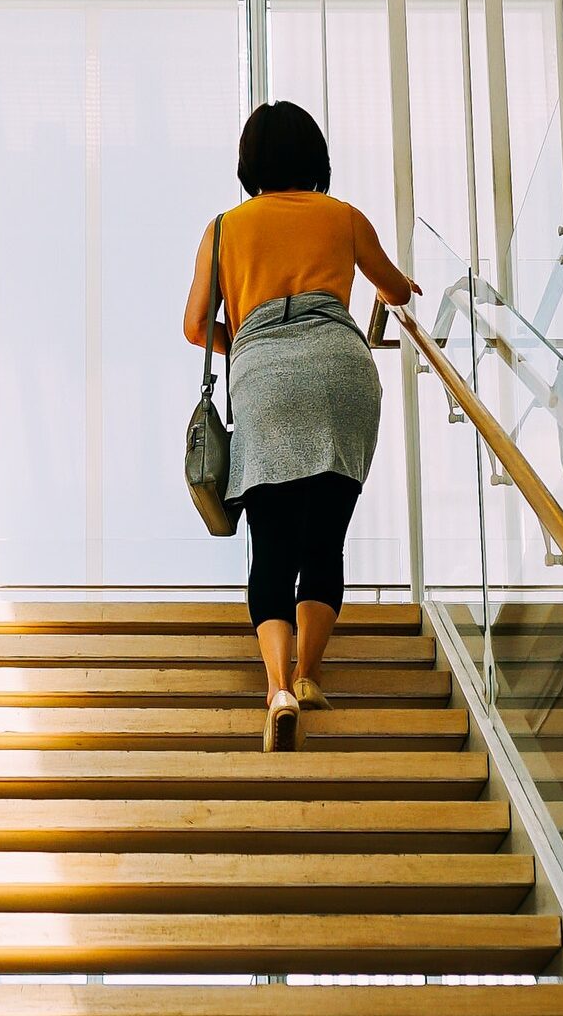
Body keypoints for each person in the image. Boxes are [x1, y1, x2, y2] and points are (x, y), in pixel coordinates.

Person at [182, 101, 419, 752]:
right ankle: (313, 673)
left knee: (272, 547)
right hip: (340, 370)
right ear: (317, 157)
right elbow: (397, 291)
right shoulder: (342, 218)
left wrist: (256, 340)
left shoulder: (224, 228)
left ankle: (278, 688)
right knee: (324, 541)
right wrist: (391, 290)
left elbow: (197, 325)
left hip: (264, 379)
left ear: (249, 162)